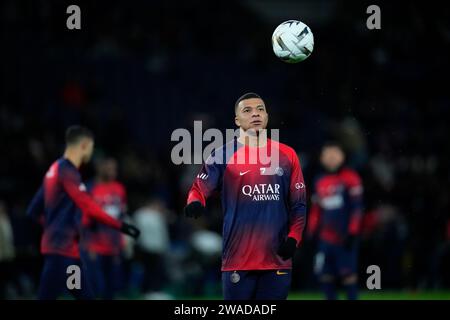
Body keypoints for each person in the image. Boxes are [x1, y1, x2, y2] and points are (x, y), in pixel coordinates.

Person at [184, 92, 307, 300]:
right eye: (247, 110)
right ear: (237, 120)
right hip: (237, 259)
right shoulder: (223, 154)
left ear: (267, 117)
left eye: (260, 109)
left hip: (277, 259)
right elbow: (199, 188)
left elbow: (299, 204)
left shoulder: (287, 155)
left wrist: (294, 238)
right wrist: (195, 201)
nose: (255, 114)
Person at [26, 126, 140, 300]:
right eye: (92, 146)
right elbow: (90, 208)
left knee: (84, 296)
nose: (91, 152)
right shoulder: (68, 172)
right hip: (60, 251)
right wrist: (122, 226)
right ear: (84, 145)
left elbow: (33, 210)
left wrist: (51, 228)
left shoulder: (54, 170)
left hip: (67, 250)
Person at [306, 142, 363, 300]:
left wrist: (352, 233)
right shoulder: (319, 181)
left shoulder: (351, 178)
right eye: (327, 154)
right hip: (325, 238)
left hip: (345, 237)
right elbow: (316, 210)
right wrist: (311, 233)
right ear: (321, 158)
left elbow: (357, 209)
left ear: (342, 156)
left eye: (335, 154)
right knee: (325, 275)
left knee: (348, 275)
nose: (331, 158)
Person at [80, 157, 128, 299]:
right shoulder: (89, 188)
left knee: (111, 288)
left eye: (115, 169)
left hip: (113, 247)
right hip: (94, 246)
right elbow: (82, 220)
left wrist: (121, 242)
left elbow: (121, 216)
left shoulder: (119, 189)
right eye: (109, 168)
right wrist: (87, 245)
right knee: (94, 287)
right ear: (99, 168)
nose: (113, 172)